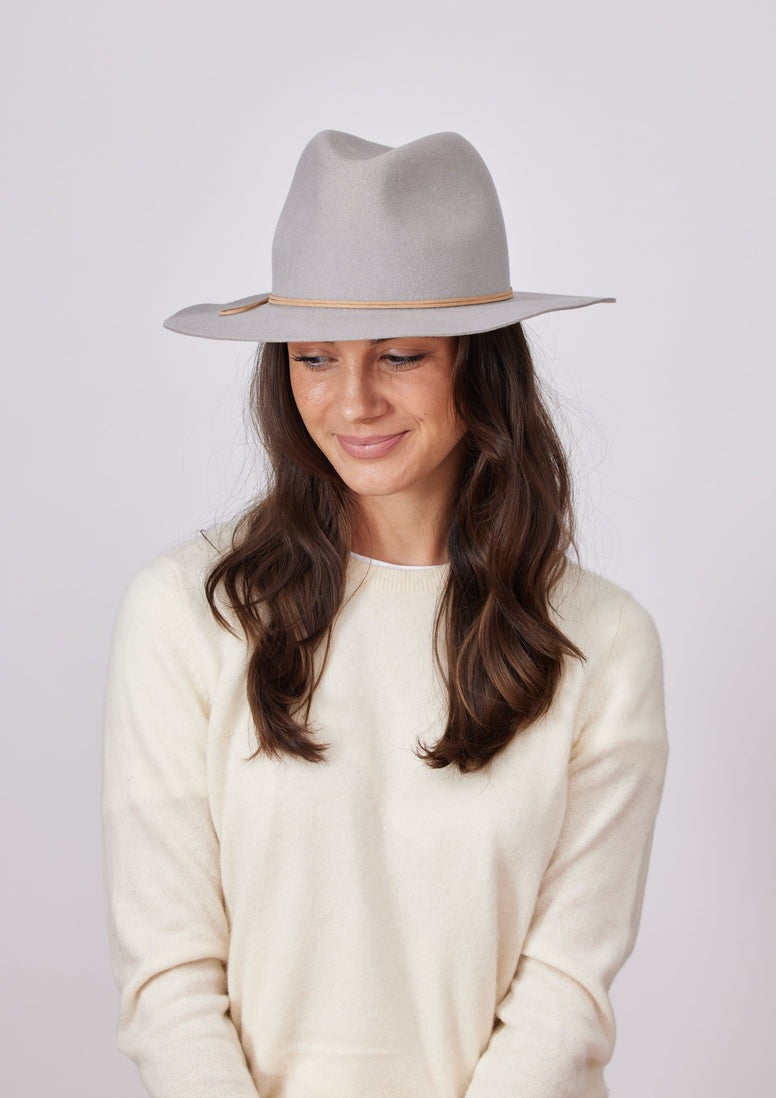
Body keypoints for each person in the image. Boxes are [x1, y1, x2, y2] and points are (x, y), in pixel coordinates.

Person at [100, 129, 669, 1098]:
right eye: (314, 357)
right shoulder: (184, 619)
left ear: (479, 366)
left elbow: (563, 998)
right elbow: (169, 985)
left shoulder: (601, 646)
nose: (351, 400)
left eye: (399, 355)